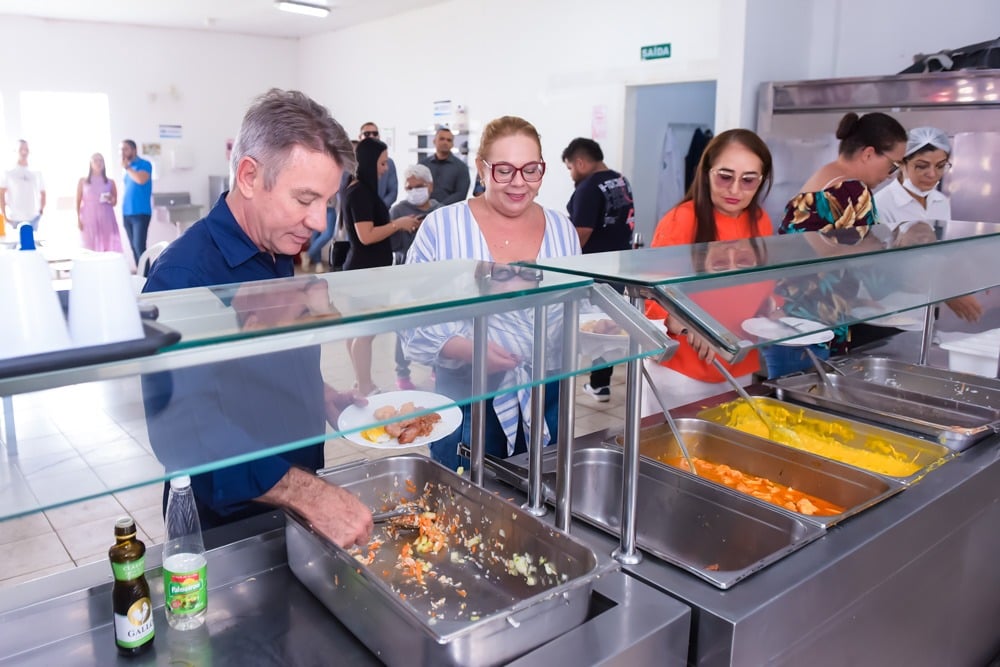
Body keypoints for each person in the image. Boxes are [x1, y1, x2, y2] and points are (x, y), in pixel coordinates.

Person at [141, 88, 373, 548]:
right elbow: (184, 431)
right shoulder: (184, 279)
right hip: (228, 527)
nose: (319, 222)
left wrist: (318, 394)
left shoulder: (276, 246)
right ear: (249, 176)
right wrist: (309, 494)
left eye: (327, 202)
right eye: (305, 199)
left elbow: (251, 373)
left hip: (293, 497)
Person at [403, 115, 581, 470]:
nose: (519, 182)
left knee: (540, 487)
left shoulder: (562, 229)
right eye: (504, 170)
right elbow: (410, 316)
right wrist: (468, 349)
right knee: (464, 496)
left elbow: (575, 310)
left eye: (531, 170)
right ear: (481, 169)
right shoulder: (444, 227)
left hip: (546, 394)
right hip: (467, 399)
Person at [642, 129, 775, 416]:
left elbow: (765, 287)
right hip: (682, 373)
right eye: (725, 177)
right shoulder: (681, 220)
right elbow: (652, 298)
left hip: (739, 363)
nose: (735, 190)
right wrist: (690, 323)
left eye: (748, 180)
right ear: (706, 173)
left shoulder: (760, 221)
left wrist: (774, 308)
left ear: (762, 180)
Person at [341, 137, 422, 396]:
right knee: (365, 333)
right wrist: (398, 224)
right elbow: (366, 236)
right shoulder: (360, 193)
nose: (386, 169)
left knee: (358, 332)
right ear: (369, 162)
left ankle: (361, 381)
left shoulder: (359, 190)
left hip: (365, 271)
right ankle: (365, 385)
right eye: (383, 163)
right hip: (365, 273)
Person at [562, 137, 635, 403]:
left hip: (593, 269)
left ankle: (577, 381)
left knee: (589, 325)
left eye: (570, 167)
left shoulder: (589, 187)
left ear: (580, 162)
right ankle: (600, 383)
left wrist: (564, 263)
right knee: (607, 325)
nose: (571, 174)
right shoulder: (620, 180)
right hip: (619, 265)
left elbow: (581, 232)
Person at [779, 112, 906, 241]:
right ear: (868, 154)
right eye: (893, 165)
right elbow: (866, 249)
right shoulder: (851, 191)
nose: (891, 176)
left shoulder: (819, 180)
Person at [388, 164, 440, 391]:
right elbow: (392, 245)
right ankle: (402, 373)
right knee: (404, 326)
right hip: (406, 276)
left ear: (430, 186)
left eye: (418, 186)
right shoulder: (398, 211)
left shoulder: (441, 210)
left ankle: (438, 368)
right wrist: (402, 228)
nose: (414, 191)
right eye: (409, 187)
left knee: (439, 323)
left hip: (436, 278)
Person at [874, 126, 953, 228]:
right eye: (922, 166)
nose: (932, 174)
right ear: (901, 163)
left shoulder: (941, 202)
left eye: (940, 166)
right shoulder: (880, 206)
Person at [75, 153, 123, 252]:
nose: (98, 163)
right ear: (90, 163)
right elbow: (78, 200)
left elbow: (114, 202)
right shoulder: (83, 181)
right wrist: (78, 219)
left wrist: (111, 199)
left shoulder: (110, 182)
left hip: (106, 217)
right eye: (95, 160)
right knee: (89, 247)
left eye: (101, 160)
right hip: (88, 218)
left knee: (107, 246)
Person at [0, 140, 46, 232]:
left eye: (26, 149)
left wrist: (41, 211)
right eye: (21, 149)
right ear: (16, 151)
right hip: (14, 218)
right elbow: (1, 194)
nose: (24, 152)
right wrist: (4, 214)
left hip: (33, 219)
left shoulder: (37, 172)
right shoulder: (8, 172)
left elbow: (43, 193)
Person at [120, 139, 153, 264]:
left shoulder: (145, 164)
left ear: (134, 150)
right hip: (127, 213)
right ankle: (140, 273)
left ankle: (147, 274)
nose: (122, 152)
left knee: (140, 247)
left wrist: (127, 168)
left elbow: (141, 180)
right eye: (121, 150)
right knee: (134, 248)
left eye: (125, 149)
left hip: (141, 212)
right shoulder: (127, 169)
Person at [419, 127, 470, 206]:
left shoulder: (461, 168)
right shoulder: (423, 165)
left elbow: (461, 194)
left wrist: (440, 207)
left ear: (452, 144)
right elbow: (415, 187)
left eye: (449, 140)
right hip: (423, 209)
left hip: (449, 209)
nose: (445, 142)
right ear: (434, 141)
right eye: (442, 139)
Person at [359, 122, 398, 208]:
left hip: (382, 210)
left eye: (375, 133)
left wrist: (379, 208)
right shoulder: (352, 163)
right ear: (360, 137)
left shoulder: (389, 163)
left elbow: (393, 192)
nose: (371, 136)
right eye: (367, 134)